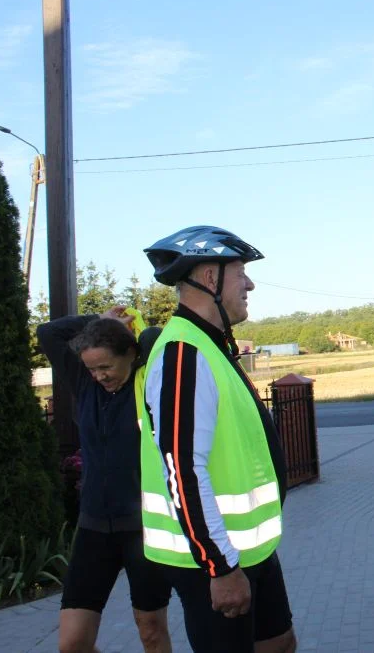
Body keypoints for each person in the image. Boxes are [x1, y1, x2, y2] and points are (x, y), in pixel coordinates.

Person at [138, 226, 296, 653]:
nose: (250, 283)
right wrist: (219, 567)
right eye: (240, 272)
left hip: (249, 550)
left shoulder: (210, 347)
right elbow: (182, 468)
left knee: (280, 644)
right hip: (212, 561)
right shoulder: (183, 354)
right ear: (209, 279)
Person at [38, 307, 172, 653]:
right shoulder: (84, 383)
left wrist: (122, 329)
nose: (99, 375)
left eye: (106, 367)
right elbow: (48, 333)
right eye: (92, 368)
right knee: (72, 643)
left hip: (144, 528)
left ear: (129, 355)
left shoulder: (147, 381)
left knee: (151, 632)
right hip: (94, 526)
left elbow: (154, 337)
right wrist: (98, 319)